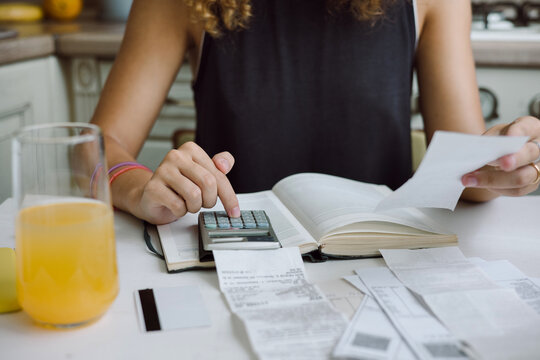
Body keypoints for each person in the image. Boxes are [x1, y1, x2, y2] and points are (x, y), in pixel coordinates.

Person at [91, 0, 540, 225]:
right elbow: (92, 147)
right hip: (235, 259)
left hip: (382, 259)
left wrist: (501, 162)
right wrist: (136, 187)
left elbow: (468, 178)